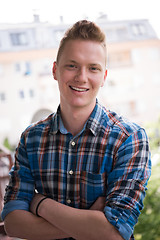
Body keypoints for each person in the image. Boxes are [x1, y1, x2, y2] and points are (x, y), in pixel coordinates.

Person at [1, 20, 151, 240]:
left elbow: (114, 235)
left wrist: (41, 204)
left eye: (93, 68)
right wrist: (90, 220)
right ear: (55, 70)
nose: (82, 77)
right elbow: (13, 224)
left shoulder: (129, 139)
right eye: (72, 65)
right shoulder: (31, 139)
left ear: (104, 76)